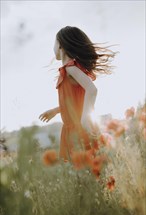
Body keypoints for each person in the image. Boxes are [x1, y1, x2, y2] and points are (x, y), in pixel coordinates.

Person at [39, 26, 116, 162]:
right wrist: (56, 110)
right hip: (70, 130)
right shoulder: (67, 70)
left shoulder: (71, 69)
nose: (53, 48)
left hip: (79, 129)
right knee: (79, 173)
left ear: (61, 45)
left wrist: (86, 117)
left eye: (54, 43)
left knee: (86, 170)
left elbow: (92, 90)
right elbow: (74, 102)